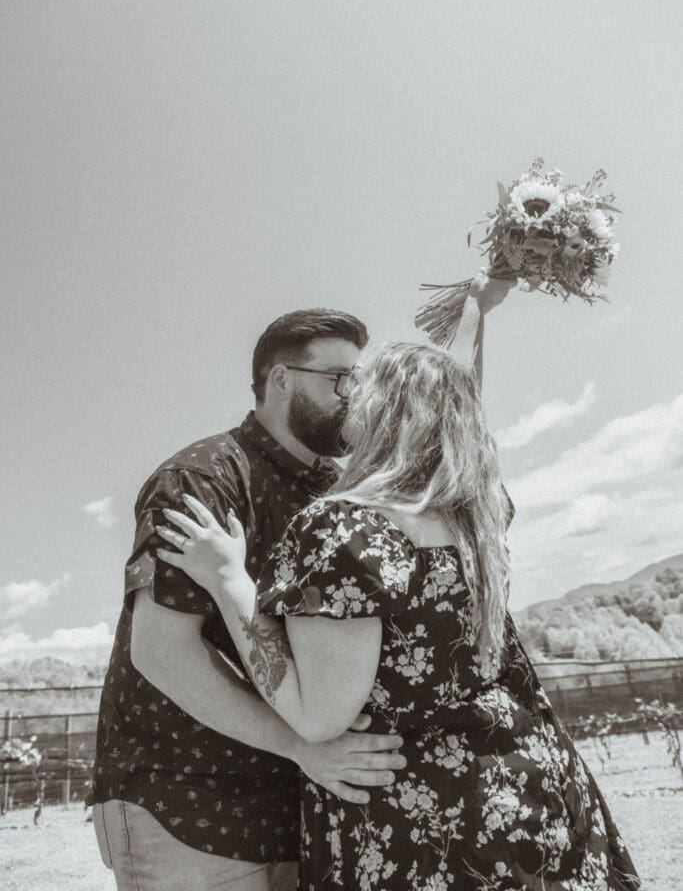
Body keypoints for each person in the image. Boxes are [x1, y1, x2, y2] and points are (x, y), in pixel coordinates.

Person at [157, 327, 642, 888]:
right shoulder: (476, 520)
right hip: (532, 795)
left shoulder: (343, 529)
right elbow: (450, 390)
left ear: (388, 412)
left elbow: (318, 718)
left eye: (361, 386)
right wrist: (477, 311)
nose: (348, 397)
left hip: (426, 831)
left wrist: (226, 580)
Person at [92, 308, 413, 891]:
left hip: (293, 800)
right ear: (281, 380)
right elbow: (161, 653)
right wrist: (302, 745)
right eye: (339, 379)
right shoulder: (201, 479)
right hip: (185, 803)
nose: (355, 395)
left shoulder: (336, 491)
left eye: (358, 380)